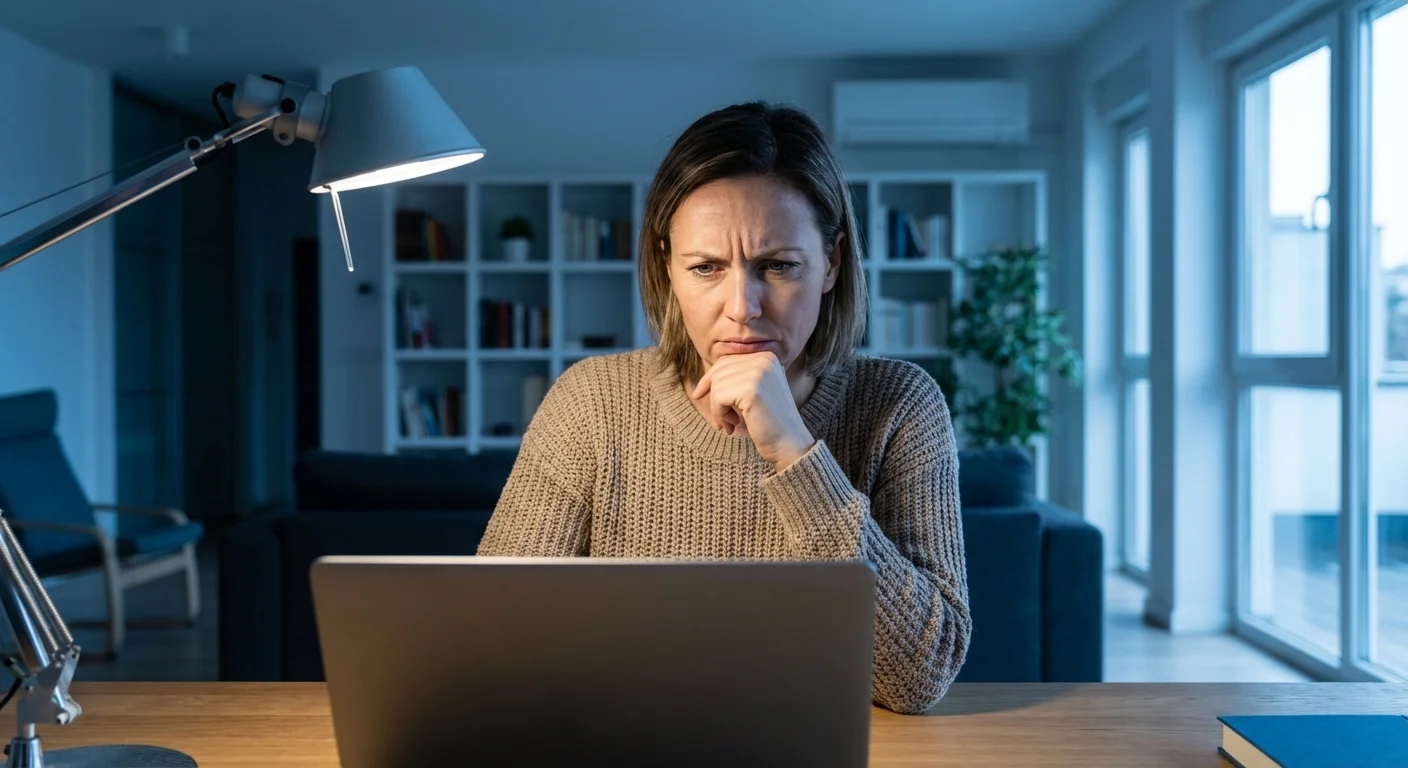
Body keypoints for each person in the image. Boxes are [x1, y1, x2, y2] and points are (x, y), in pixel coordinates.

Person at [476, 100, 970, 715]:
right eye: (706, 267)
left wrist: (794, 453)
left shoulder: (901, 404)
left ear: (832, 263)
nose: (742, 307)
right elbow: (488, 639)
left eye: (778, 266)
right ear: (667, 265)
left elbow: (918, 678)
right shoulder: (591, 402)